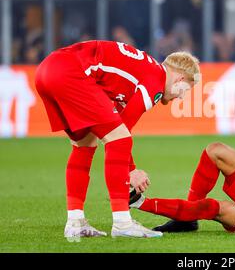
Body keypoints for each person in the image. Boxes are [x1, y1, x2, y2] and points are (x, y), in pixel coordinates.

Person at [35, 40, 200, 238]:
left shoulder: (145, 70)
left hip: (47, 69)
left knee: (85, 144)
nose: (181, 97)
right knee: (118, 140)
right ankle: (123, 223)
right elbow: (122, 133)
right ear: (180, 78)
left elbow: (118, 127)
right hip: (71, 71)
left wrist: (130, 167)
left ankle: (75, 221)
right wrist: (131, 171)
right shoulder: (157, 79)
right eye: (185, 90)